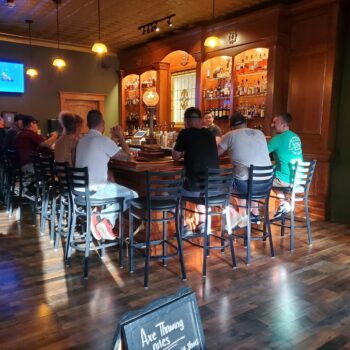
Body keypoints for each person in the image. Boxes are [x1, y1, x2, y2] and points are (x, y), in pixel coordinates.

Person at [75, 109, 138, 240]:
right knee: (133, 194)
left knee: (113, 183)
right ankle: (103, 218)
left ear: (87, 124)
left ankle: (99, 215)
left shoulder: (82, 140)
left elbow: (105, 150)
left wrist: (113, 140)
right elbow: (128, 157)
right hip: (95, 190)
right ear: (103, 123)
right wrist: (120, 137)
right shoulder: (102, 140)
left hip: (79, 190)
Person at [218, 112, 271, 227]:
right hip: (266, 184)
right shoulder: (260, 133)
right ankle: (254, 214)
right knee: (243, 176)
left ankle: (239, 215)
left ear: (231, 127)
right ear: (246, 123)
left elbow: (215, 154)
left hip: (245, 185)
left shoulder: (230, 135)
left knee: (220, 183)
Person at [172, 107, 219, 234]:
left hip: (196, 189)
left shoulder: (185, 133)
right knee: (199, 191)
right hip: (214, 188)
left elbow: (175, 156)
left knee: (171, 193)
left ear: (186, 121)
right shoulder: (210, 134)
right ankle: (203, 224)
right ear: (200, 120)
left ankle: (182, 227)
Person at [268, 112, 303, 219]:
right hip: (299, 179)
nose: (272, 125)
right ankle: (286, 203)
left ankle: (283, 203)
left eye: (275, 123)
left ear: (283, 124)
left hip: (285, 179)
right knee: (276, 175)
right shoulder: (296, 137)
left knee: (264, 181)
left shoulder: (277, 139)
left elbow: (261, 153)